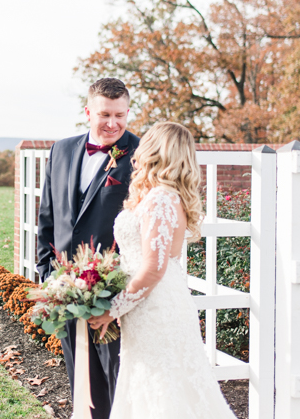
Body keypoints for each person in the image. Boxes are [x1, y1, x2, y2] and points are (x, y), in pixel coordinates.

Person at [88, 122, 236, 418]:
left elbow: (153, 269)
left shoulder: (161, 199)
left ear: (154, 150)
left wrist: (113, 309)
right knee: (153, 387)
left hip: (156, 307)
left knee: (164, 389)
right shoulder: (162, 195)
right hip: (152, 303)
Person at [37, 78, 140, 419]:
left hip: (115, 290)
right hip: (66, 287)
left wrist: (120, 289)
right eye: (104, 115)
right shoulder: (61, 150)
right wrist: (49, 275)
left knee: (118, 379)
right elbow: (48, 217)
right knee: (80, 378)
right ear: (88, 112)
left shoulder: (141, 155)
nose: (113, 124)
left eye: (120, 115)